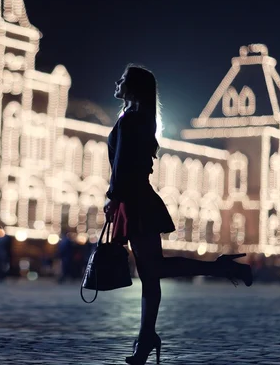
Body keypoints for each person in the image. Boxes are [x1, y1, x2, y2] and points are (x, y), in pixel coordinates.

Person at [103, 65, 253, 365]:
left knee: (153, 270)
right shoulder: (141, 119)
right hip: (139, 200)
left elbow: (122, 166)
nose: (117, 81)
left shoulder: (132, 119)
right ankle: (147, 338)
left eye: (123, 79)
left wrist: (113, 198)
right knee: (150, 274)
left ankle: (222, 270)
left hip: (134, 202)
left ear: (133, 87)